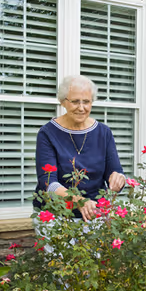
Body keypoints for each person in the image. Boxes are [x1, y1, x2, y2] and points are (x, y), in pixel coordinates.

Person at [35, 75, 126, 222]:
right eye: (75, 102)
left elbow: (115, 172)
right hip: (56, 216)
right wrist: (79, 201)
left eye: (86, 102)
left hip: (95, 213)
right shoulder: (48, 133)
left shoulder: (103, 132)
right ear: (63, 102)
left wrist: (119, 179)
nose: (81, 108)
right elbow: (48, 183)